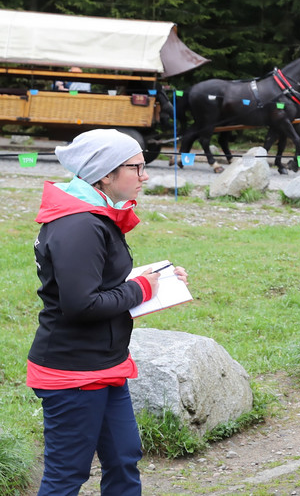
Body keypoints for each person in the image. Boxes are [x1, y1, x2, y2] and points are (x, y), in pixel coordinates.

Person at [27, 129, 189, 495]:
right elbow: (81, 304)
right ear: (105, 174)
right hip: (73, 372)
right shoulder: (79, 225)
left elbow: (99, 282)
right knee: (67, 475)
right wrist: (142, 288)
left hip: (105, 364)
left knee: (122, 458)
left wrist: (159, 279)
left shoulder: (93, 215)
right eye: (136, 167)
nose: (144, 176)